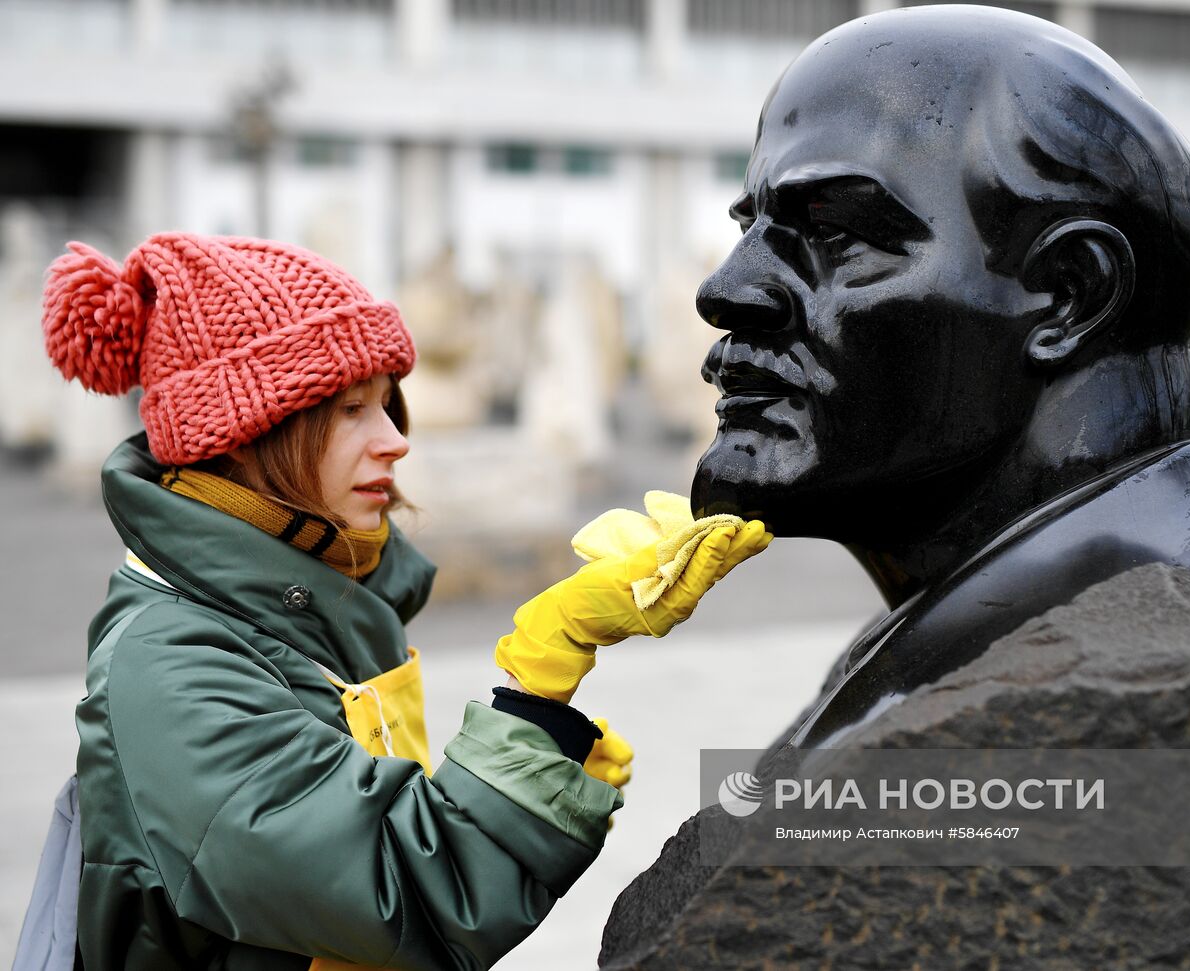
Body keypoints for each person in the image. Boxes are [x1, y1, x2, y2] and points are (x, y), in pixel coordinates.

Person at [38, 232, 769, 968]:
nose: (395, 440)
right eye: (351, 408)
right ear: (244, 434)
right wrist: (541, 680)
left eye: (389, 405)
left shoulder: (315, 605)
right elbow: (407, 892)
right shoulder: (171, 664)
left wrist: (539, 752)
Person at [686, 5, 1190, 748]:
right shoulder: (968, 640)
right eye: (750, 228)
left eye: (834, 231)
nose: (726, 289)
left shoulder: (1170, 714)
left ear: (1071, 293)